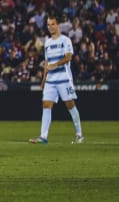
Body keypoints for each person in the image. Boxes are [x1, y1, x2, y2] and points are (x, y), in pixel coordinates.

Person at [29, 14, 84, 144]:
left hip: (64, 79)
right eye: (48, 24)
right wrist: (43, 80)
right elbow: (47, 63)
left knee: (70, 105)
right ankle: (43, 137)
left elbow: (68, 57)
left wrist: (55, 64)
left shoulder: (65, 40)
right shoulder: (47, 43)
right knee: (46, 105)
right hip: (50, 81)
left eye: (53, 24)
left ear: (58, 25)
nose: (51, 27)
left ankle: (79, 134)